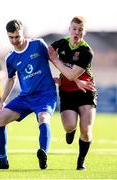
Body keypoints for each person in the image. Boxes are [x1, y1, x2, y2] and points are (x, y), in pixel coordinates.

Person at [0, 19, 57, 170]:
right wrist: (2, 102)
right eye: (11, 37)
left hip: (45, 94)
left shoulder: (38, 45)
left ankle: (43, 153)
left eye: (17, 36)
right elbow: (10, 79)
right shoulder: (10, 58)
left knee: (43, 118)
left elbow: (54, 60)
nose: (14, 40)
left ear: (23, 33)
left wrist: (64, 77)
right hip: (26, 97)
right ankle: (3, 161)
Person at [48, 16, 98, 170]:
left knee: (86, 130)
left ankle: (81, 161)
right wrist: (73, 79)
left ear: (84, 32)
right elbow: (48, 51)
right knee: (69, 126)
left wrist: (56, 61)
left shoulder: (86, 51)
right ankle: (71, 131)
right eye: (74, 29)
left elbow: (70, 74)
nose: (77, 32)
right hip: (66, 92)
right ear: (69, 29)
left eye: (80, 30)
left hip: (86, 91)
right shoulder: (62, 43)